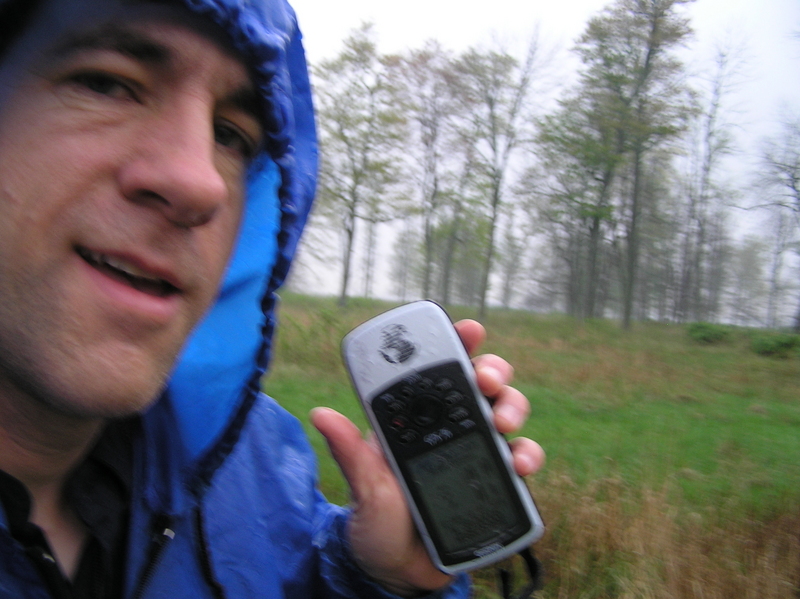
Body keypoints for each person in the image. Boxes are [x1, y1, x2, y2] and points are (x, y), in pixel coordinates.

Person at [0, 0, 546, 597]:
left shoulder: (249, 466)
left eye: (232, 136)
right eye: (106, 83)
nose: (200, 181)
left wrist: (377, 579)